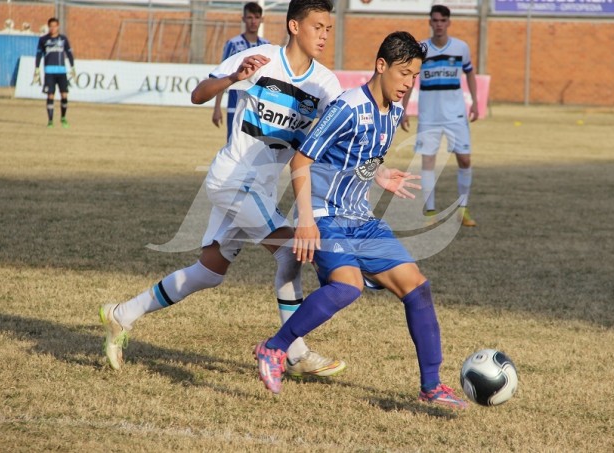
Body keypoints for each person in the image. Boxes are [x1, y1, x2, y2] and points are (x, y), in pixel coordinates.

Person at [99, 0, 346, 379]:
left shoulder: (325, 83)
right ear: (294, 26)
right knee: (289, 253)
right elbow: (198, 94)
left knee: (209, 273)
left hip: (259, 190)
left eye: (328, 28)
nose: (324, 35)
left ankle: (122, 313)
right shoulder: (261, 58)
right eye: (317, 26)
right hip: (233, 180)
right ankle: (293, 353)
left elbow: (336, 137)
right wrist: (233, 78)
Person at [254, 31, 468, 410]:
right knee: (347, 287)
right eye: (403, 73)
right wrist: (306, 221)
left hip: (362, 219)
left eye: (414, 76)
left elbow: (359, 155)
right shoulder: (348, 107)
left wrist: (380, 174)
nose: (408, 84)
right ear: (380, 66)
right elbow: (300, 162)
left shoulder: (397, 111)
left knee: (417, 288)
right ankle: (274, 348)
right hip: (325, 216)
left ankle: (432, 386)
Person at [400, 4, 478, 227]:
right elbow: (410, 79)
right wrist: (403, 109)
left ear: (449, 22)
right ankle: (430, 211)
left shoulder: (461, 48)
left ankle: (462, 209)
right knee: (427, 162)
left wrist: (474, 103)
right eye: (435, 20)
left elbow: (470, 74)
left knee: (464, 159)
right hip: (429, 116)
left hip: (456, 115)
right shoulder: (421, 49)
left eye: (443, 20)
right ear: (430, 22)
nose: (439, 24)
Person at [212, 2, 270, 140]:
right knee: (233, 144)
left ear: (262, 19)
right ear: (243, 19)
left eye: (256, 17)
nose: (253, 21)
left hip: (258, 108)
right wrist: (217, 108)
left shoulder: (266, 45)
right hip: (235, 104)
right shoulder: (233, 44)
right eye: (249, 17)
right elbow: (223, 75)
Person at [33, 17, 76, 128]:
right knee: (50, 95)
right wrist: (37, 69)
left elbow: (69, 53)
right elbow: (38, 55)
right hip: (49, 72)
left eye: (55, 26)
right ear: (48, 27)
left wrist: (73, 67)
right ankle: (50, 121)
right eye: (51, 26)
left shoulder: (63, 39)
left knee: (64, 95)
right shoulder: (43, 40)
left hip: (61, 71)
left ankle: (63, 118)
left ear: (58, 26)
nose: (53, 28)